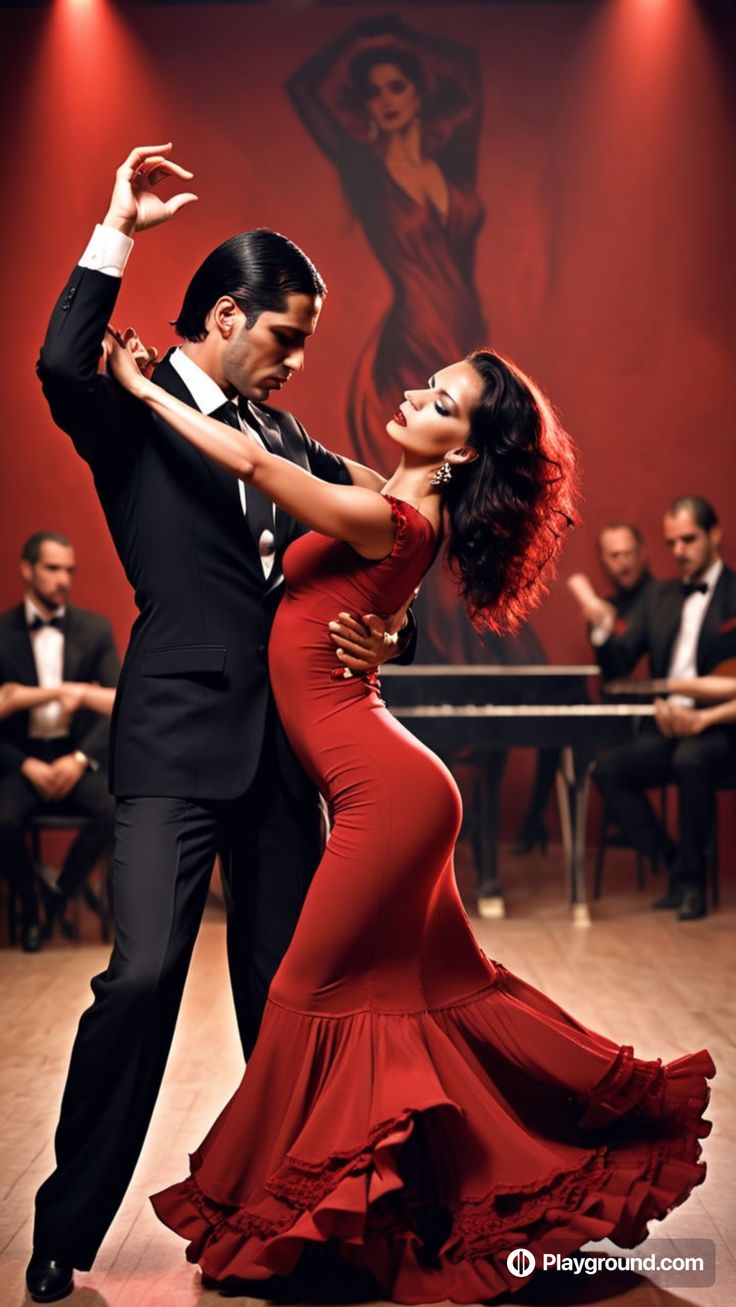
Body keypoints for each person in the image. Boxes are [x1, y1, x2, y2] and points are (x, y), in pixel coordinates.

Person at [107, 333, 713, 1304]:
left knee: (303, 995)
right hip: (393, 784)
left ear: (462, 449)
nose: (415, 395)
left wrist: (141, 391)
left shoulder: (387, 513)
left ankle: (274, 1221)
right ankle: (458, 1198)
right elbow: (296, 455)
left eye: (442, 401)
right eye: (428, 384)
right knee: (436, 1001)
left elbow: (260, 463)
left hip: (383, 798)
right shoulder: (382, 491)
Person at [26, 145, 413, 1305]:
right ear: (228, 312)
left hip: (285, 757)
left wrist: (383, 635)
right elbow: (57, 358)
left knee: (290, 1000)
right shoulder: (127, 414)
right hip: (171, 740)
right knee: (141, 974)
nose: (297, 361)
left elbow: (372, 547)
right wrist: (118, 227)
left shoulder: (282, 437)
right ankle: (63, 1225)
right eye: (285, 337)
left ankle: (295, 1222)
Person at [287, 13, 488, 668]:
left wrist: (394, 27)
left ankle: (407, 640)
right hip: (410, 335)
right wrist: (361, 29)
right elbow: (303, 89)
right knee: (405, 508)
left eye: (398, 85)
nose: (387, 100)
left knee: (437, 509)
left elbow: (471, 73)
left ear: (420, 92)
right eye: (373, 91)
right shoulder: (365, 170)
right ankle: (409, 646)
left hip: (464, 335)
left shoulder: (454, 157)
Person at [592, 497, 736, 921]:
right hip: (667, 726)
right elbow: (618, 667)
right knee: (608, 770)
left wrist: (702, 716)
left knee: (692, 762)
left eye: (689, 539)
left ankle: (692, 885)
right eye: (672, 542)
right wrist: (603, 630)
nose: (678, 551)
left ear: (715, 535)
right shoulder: (659, 596)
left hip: (721, 729)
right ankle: (673, 862)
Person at [0, 531, 118, 953]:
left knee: (115, 808)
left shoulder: (95, 628)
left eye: (69, 570)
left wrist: (81, 758)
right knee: (2, 820)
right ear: (27, 570)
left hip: (75, 755)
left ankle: (59, 894)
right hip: (22, 762)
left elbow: (120, 707)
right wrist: (22, 764)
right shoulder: (1, 632)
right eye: (53, 568)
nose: (63, 579)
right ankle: (30, 912)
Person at [567, 521, 655, 641]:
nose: (623, 562)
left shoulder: (665, 599)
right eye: (615, 555)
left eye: (628, 553)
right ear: (603, 559)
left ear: (641, 553)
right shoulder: (607, 606)